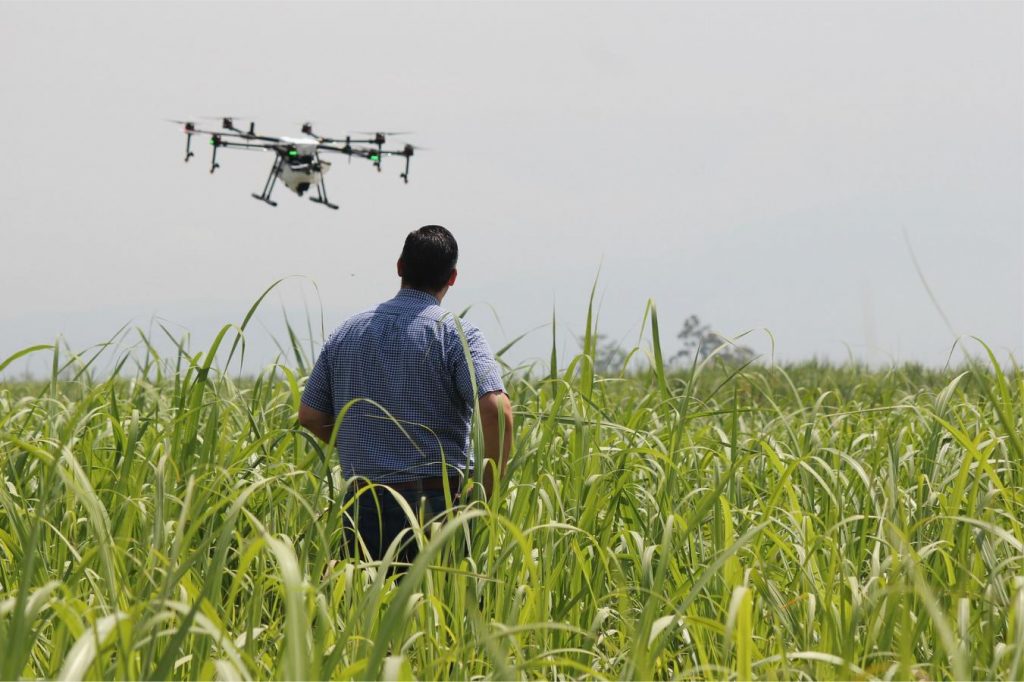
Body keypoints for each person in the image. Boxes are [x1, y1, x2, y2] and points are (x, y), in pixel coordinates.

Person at [298, 224, 513, 564]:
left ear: (400, 267)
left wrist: (366, 443)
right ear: (452, 277)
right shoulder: (458, 334)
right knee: (436, 609)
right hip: (437, 503)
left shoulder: (346, 332)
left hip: (364, 500)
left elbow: (310, 415)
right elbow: (497, 409)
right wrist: (483, 494)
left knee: (364, 611)